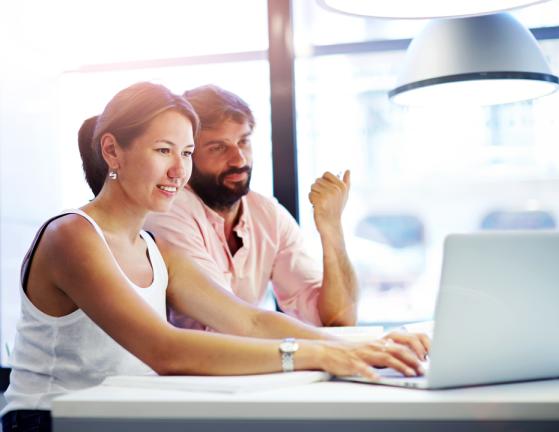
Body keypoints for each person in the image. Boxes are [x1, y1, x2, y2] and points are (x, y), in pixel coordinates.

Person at [1, 82, 428, 432]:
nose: (178, 171)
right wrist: (316, 355)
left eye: (186, 153)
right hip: (50, 420)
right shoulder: (72, 236)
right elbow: (164, 350)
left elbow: (249, 320)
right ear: (113, 151)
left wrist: (364, 347)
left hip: (120, 414)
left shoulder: (155, 249)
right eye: (163, 150)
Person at [145, 85, 358, 329]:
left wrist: (332, 229)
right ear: (187, 154)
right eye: (218, 147)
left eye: (244, 141)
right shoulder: (169, 211)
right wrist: (324, 350)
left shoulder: (268, 215)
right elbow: (227, 322)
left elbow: (338, 320)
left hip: (249, 364)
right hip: (190, 366)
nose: (239, 159)